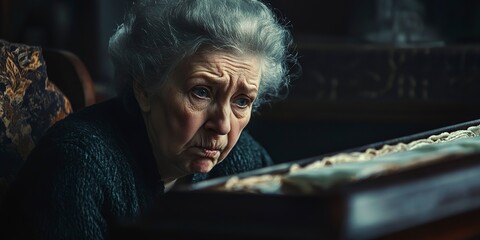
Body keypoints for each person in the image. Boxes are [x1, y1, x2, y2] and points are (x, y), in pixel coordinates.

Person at [1, 0, 297, 239]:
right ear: (143, 88)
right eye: (202, 92)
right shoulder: (76, 165)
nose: (222, 125)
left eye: (242, 101)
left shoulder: (243, 161)